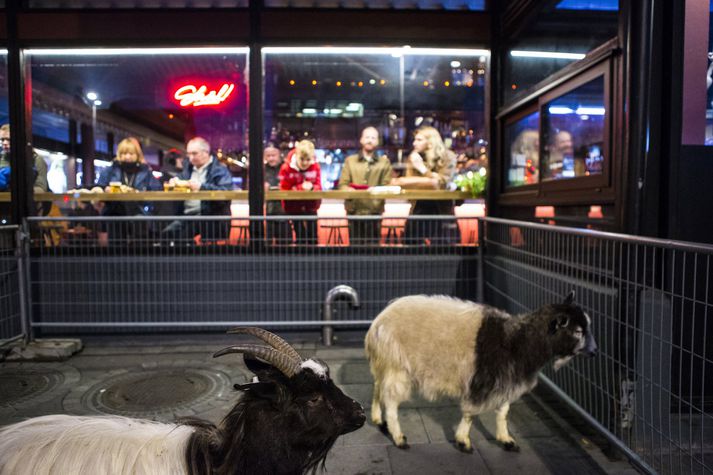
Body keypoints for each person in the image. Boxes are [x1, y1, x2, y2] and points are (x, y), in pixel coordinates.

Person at [391, 125, 459, 245]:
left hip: (441, 211)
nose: (414, 143)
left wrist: (423, 170)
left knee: (444, 252)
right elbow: (407, 183)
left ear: (430, 142)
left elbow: (442, 183)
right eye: (415, 139)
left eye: (419, 140)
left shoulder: (448, 156)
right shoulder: (415, 157)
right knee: (411, 248)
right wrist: (431, 180)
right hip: (418, 208)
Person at [91, 137, 162, 243]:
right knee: (116, 244)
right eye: (124, 153)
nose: (127, 157)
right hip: (114, 211)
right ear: (119, 154)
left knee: (140, 241)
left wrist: (143, 196)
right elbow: (99, 187)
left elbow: (157, 189)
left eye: (131, 153)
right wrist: (105, 190)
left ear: (137, 155)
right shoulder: (110, 170)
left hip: (138, 211)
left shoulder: (145, 171)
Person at [163, 137, 233, 243]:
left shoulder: (220, 170)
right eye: (188, 154)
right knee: (166, 234)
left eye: (194, 153)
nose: (190, 158)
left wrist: (201, 187)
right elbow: (180, 179)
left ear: (206, 152)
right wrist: (175, 182)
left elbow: (226, 193)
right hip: (187, 215)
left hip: (210, 216)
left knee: (181, 237)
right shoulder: (188, 169)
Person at [338, 126, 393, 245]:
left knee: (373, 251)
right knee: (354, 249)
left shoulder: (384, 162)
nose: (370, 140)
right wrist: (350, 191)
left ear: (377, 141)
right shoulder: (350, 160)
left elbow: (386, 185)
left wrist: (376, 191)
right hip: (354, 210)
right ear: (361, 140)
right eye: (367, 137)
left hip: (375, 211)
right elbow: (342, 185)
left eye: (373, 137)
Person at [0, 123, 49, 222]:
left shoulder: (35, 160)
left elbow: (41, 188)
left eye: (9, 139)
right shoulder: (1, 158)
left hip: (27, 214)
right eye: (2, 139)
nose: (5, 143)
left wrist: (18, 190)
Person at [279, 139, 321, 245]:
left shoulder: (315, 167)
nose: (305, 163)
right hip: (293, 207)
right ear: (296, 155)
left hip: (311, 206)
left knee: (313, 237)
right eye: (302, 159)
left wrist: (312, 188)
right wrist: (300, 188)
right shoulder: (286, 168)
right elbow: (284, 190)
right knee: (300, 236)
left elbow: (319, 187)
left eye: (308, 159)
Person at [263, 143, 290, 245]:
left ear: (279, 155)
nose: (271, 158)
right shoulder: (262, 169)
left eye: (273, 155)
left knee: (284, 244)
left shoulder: (286, 168)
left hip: (284, 210)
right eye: (268, 156)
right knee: (268, 244)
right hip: (269, 211)